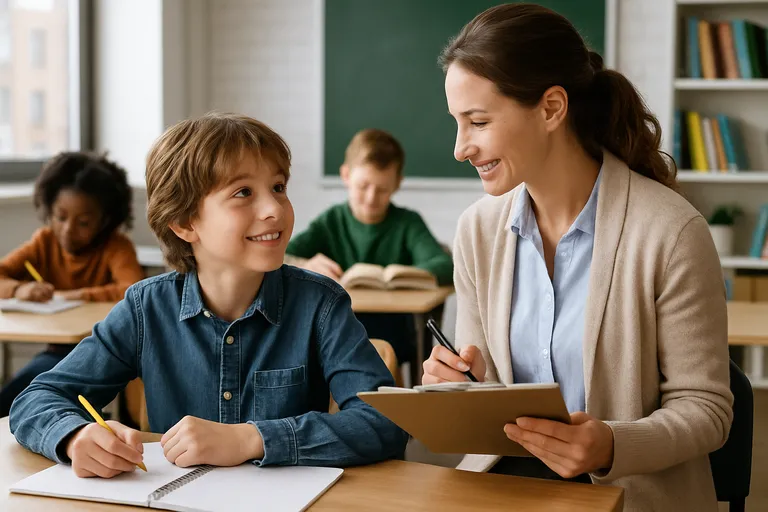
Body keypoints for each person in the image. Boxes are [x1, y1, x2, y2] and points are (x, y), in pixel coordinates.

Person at [421, 4, 732, 511]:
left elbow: (709, 409)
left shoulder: (671, 232)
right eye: (458, 123)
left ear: (550, 108)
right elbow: (488, 392)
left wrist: (611, 443)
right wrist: (455, 389)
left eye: (478, 122)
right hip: (503, 484)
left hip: (628, 492)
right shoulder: (477, 229)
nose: (461, 148)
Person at [10, 112, 408, 477]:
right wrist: (74, 437)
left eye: (278, 186)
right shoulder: (145, 309)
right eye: (243, 193)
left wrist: (252, 439)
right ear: (184, 222)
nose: (274, 208)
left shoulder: (321, 305)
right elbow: (37, 398)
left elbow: (385, 422)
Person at [286, 128, 453, 364]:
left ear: (397, 184)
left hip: (397, 333)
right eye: (363, 186)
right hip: (338, 326)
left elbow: (445, 265)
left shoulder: (407, 223)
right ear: (345, 175)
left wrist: (405, 277)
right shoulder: (331, 221)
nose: (371, 197)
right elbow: (281, 255)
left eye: (382, 189)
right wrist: (307, 263)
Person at [0, 151, 144, 417]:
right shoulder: (44, 241)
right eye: (60, 217)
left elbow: (132, 289)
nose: (67, 229)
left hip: (108, 354)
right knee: (25, 389)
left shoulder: (115, 247)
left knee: (39, 390)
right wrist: (19, 289)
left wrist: (75, 295)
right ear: (48, 209)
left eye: (84, 223)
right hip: (59, 352)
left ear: (105, 220)